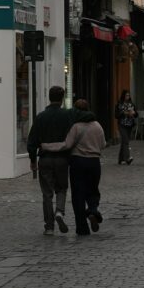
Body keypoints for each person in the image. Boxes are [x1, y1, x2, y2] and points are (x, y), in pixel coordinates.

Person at [27, 85, 77, 234]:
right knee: (61, 188)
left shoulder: (41, 116)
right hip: (62, 158)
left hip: (45, 158)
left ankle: (49, 226)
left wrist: (32, 159)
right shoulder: (68, 116)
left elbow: (32, 140)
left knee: (47, 192)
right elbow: (73, 137)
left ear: (49, 97)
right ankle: (59, 211)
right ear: (62, 99)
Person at [61, 98, 107, 237]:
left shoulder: (76, 126)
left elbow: (68, 145)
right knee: (93, 190)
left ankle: (82, 228)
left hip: (78, 162)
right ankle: (93, 211)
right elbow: (103, 144)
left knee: (78, 195)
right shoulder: (97, 125)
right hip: (94, 162)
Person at [115, 89, 137, 165]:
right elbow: (116, 115)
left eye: (128, 95)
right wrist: (125, 113)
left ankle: (120, 159)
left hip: (130, 125)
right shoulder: (119, 104)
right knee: (126, 141)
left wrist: (133, 113)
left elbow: (136, 114)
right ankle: (127, 158)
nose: (128, 96)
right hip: (122, 124)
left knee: (124, 141)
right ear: (123, 96)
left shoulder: (131, 104)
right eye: (126, 95)